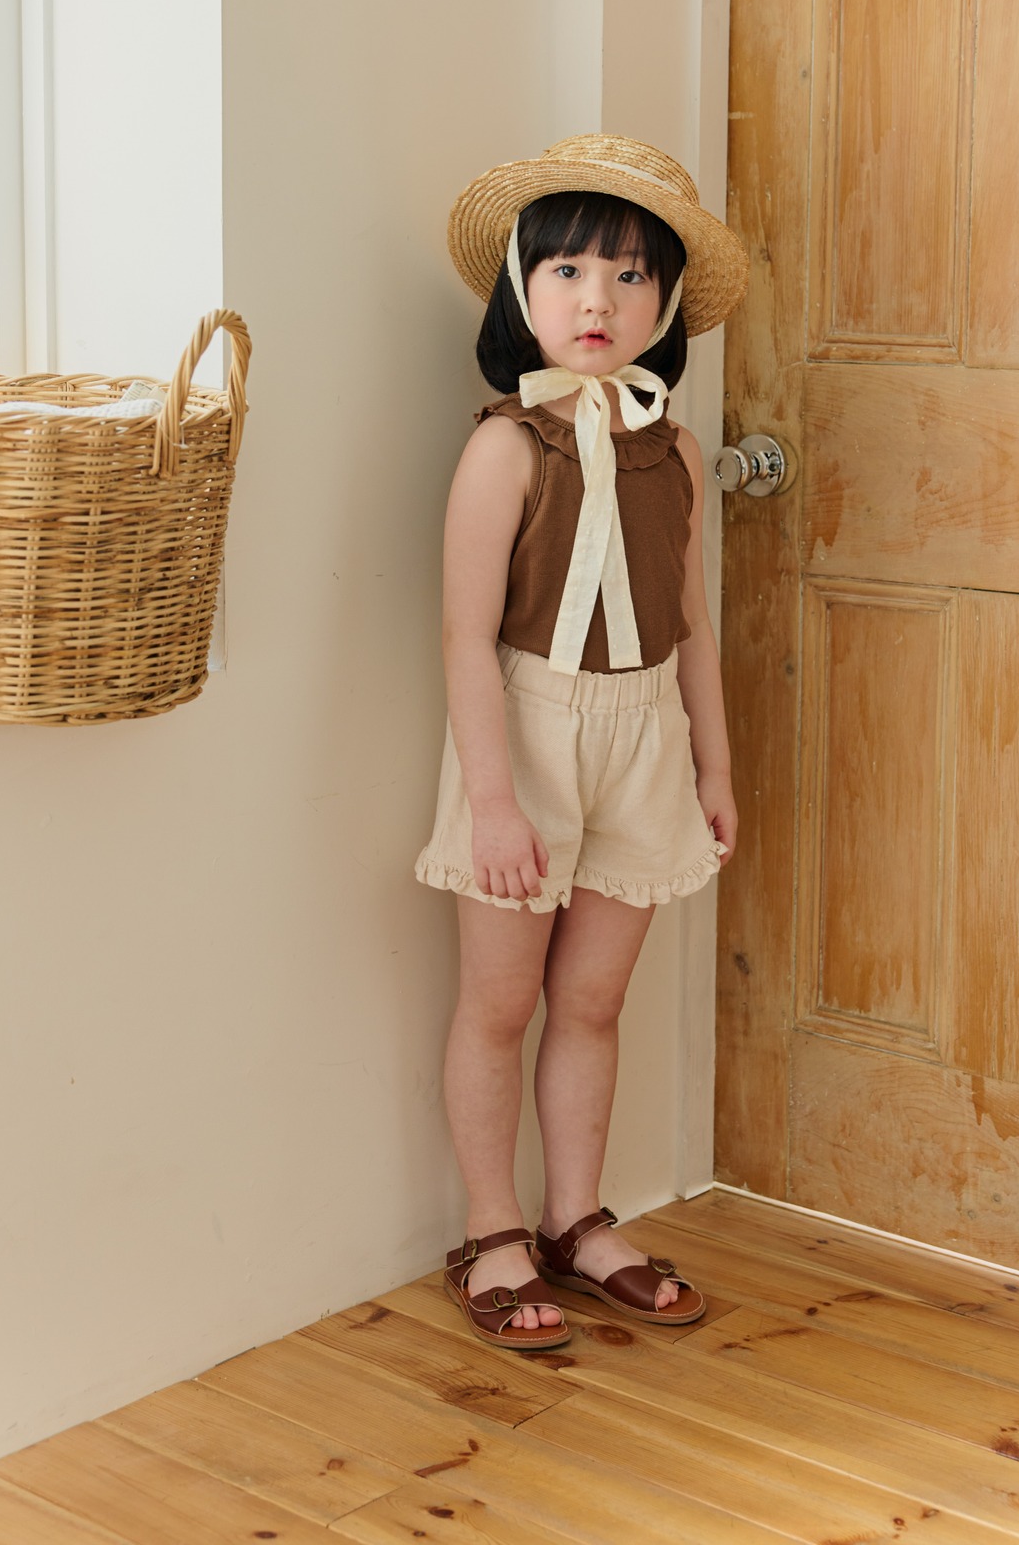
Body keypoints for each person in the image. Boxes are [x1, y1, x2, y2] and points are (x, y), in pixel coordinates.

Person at [416, 134, 748, 1350]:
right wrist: (494, 802)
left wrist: (712, 766)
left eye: (627, 275)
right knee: (500, 1002)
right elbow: (463, 639)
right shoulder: (503, 447)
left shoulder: (677, 450)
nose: (596, 299)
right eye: (566, 271)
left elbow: (691, 621)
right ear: (522, 290)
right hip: (527, 734)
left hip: (645, 732)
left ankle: (575, 1217)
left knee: (593, 1000)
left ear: (665, 302)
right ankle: (492, 1228)